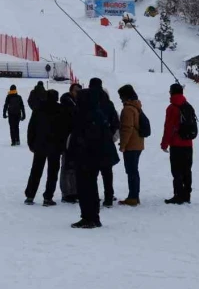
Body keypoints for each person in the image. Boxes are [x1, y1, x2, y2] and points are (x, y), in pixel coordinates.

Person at [69, 78, 120, 229]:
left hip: (87, 157)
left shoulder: (86, 115)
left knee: (86, 187)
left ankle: (89, 217)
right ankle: (92, 216)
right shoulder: (97, 111)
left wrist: (75, 153)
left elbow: (81, 137)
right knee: (92, 185)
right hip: (97, 155)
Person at [24, 90, 64, 206]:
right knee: (52, 172)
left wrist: (31, 143)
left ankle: (30, 195)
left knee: (36, 171)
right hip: (55, 146)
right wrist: (62, 146)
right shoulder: (60, 109)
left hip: (39, 145)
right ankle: (48, 197)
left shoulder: (38, 108)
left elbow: (31, 127)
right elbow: (64, 129)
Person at [162, 83, 193, 204]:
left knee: (177, 171)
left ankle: (178, 195)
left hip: (176, 144)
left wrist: (164, 144)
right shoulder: (188, 105)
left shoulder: (172, 108)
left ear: (171, 92)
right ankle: (186, 194)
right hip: (188, 144)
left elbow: (168, 128)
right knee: (187, 170)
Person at [118, 84, 144, 206]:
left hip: (131, 145)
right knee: (134, 170)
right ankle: (135, 195)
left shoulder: (128, 109)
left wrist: (123, 145)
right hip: (138, 143)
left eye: (121, 96)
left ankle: (133, 197)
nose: (120, 99)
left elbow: (126, 128)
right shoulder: (137, 107)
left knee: (131, 171)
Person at [59, 83, 82, 204]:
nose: (78, 93)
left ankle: (74, 191)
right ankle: (67, 192)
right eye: (76, 91)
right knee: (66, 167)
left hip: (75, 140)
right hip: (66, 140)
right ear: (71, 91)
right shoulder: (67, 104)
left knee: (74, 167)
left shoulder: (78, 104)